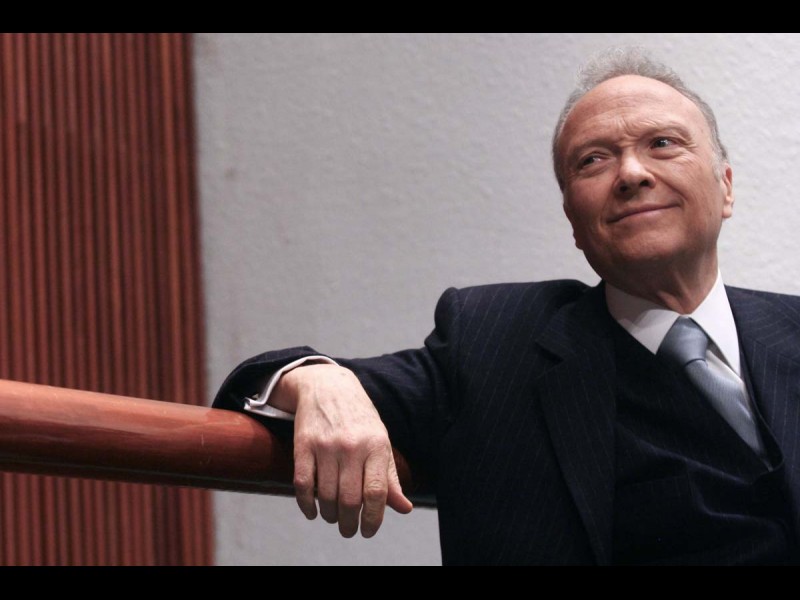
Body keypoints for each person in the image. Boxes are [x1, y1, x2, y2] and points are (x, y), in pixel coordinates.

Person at [213, 48, 800, 565]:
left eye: (662, 144)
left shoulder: (790, 330)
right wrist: (316, 379)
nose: (631, 173)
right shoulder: (494, 347)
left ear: (726, 186)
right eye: (593, 160)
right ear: (574, 222)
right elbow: (257, 395)